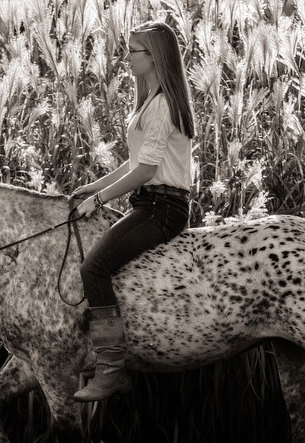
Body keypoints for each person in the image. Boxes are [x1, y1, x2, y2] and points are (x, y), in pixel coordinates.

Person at [70, 20, 195, 402]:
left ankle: (111, 369)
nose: (126, 57)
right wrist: (94, 186)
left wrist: (100, 200)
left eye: (134, 50)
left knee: (94, 268)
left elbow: (146, 171)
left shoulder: (162, 106)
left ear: (154, 56)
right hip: (149, 202)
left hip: (163, 208)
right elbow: (135, 162)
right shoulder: (151, 101)